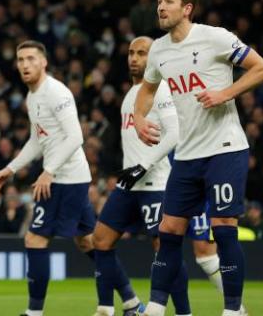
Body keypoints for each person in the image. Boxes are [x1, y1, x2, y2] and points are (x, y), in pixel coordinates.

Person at [134, 0, 263, 316]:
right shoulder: (159, 50)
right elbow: (147, 90)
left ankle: (232, 309)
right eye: (159, 1)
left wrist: (225, 94)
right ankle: (154, 307)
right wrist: (139, 117)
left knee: (223, 229)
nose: (160, 7)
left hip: (225, 149)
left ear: (187, 8)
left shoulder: (215, 37)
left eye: (168, 1)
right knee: (169, 231)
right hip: (187, 154)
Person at [0, 40, 96, 316]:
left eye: (31, 59)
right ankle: (130, 301)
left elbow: (76, 136)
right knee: (89, 243)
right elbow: (37, 141)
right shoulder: (32, 97)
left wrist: (49, 171)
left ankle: (34, 312)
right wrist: (10, 168)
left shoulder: (56, 93)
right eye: (20, 59)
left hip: (65, 178)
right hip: (66, 177)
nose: (25, 64)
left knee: (35, 239)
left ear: (43, 62)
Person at [91, 36, 185, 316]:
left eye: (141, 53)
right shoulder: (132, 94)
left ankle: (183, 312)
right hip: (128, 185)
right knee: (101, 241)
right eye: (131, 52)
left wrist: (143, 164)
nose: (134, 58)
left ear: (153, 57)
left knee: (165, 249)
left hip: (156, 184)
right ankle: (123, 305)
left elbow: (175, 134)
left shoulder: (161, 89)